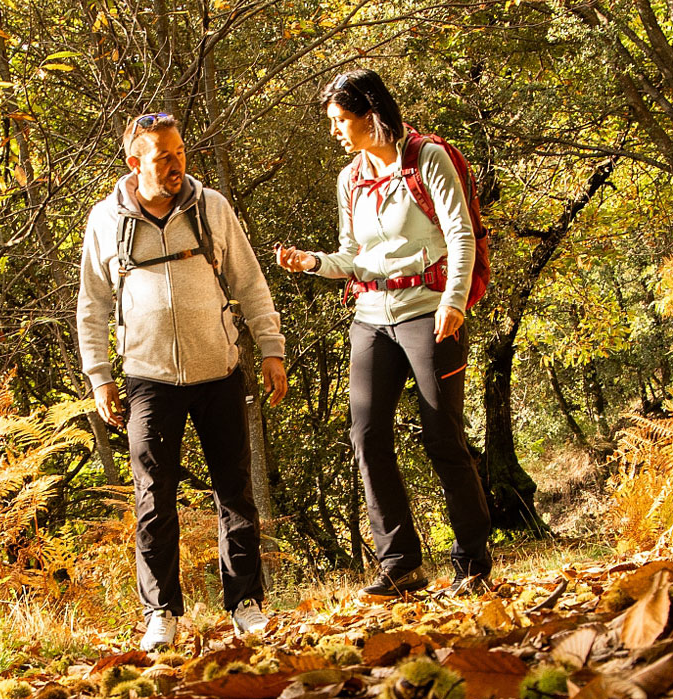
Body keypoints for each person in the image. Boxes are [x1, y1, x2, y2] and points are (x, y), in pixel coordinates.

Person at [275, 69, 494, 600]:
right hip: (371, 312)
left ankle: (473, 564)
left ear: (370, 114)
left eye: (340, 120)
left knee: (443, 435)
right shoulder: (350, 178)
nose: (334, 131)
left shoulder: (428, 159)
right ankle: (399, 564)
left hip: (430, 309)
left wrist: (454, 301)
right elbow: (353, 257)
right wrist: (312, 262)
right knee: (367, 435)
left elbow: (460, 232)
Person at [76, 112, 290, 650]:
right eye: (162, 156)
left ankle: (246, 604)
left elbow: (251, 282)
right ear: (134, 163)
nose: (175, 165)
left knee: (234, 492)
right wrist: (99, 376)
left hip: (218, 369)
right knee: (153, 498)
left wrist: (271, 349)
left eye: (180, 152)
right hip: (147, 378)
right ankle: (162, 614)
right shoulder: (106, 220)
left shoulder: (210, 207)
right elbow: (92, 305)